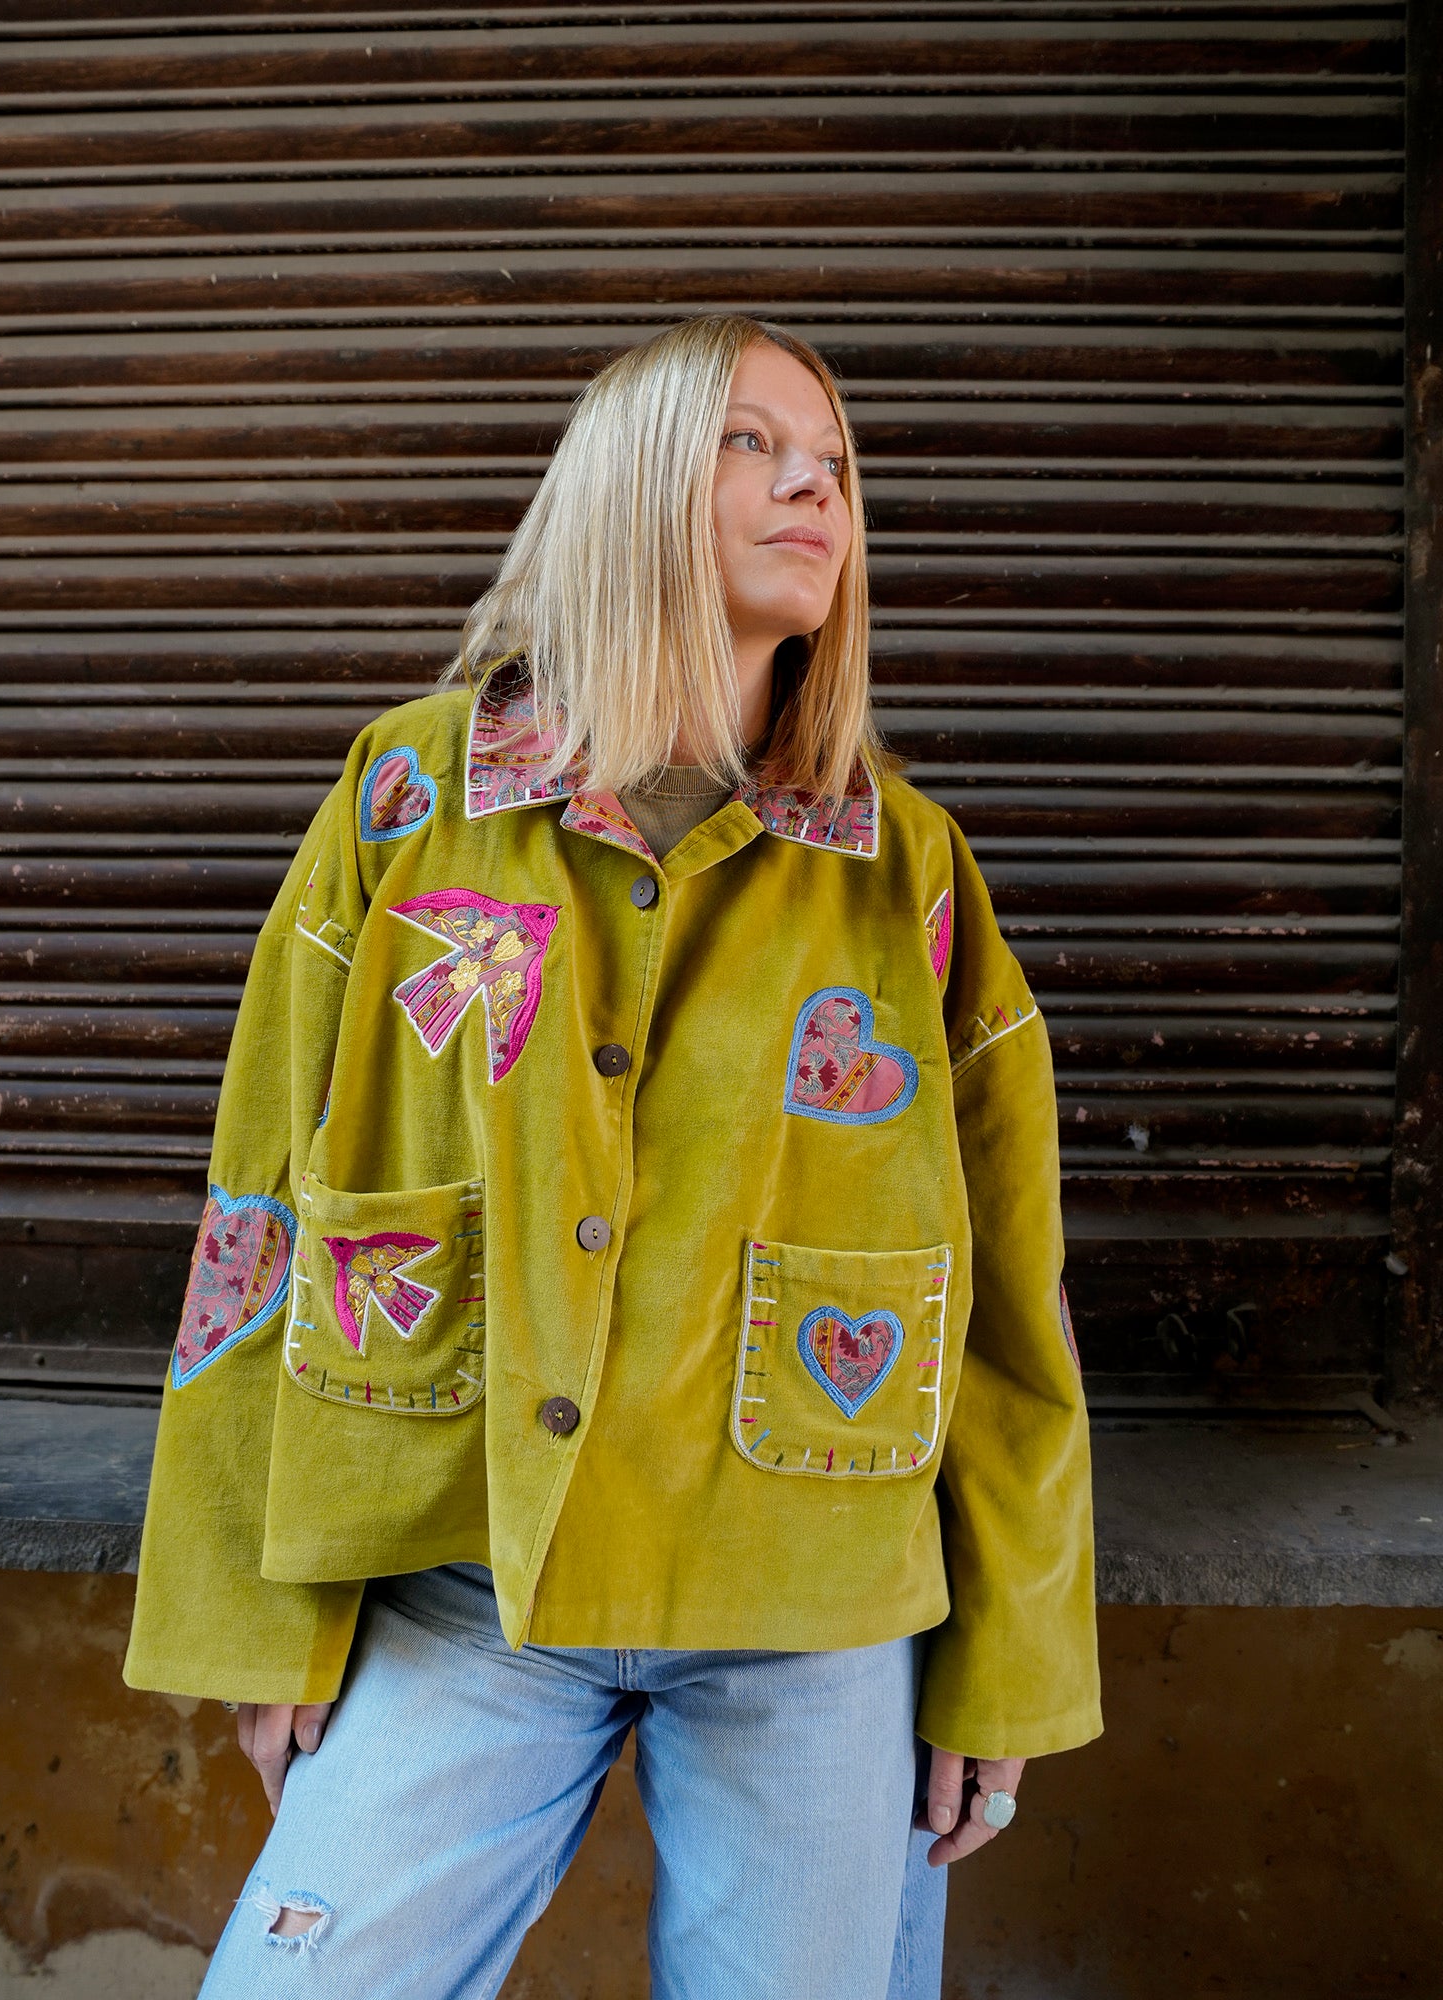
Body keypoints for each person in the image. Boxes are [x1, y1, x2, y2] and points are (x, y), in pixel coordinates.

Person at [123, 312, 1101, 1998]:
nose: (816, 484)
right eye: (751, 443)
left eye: (835, 460)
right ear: (632, 482)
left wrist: (1008, 1658)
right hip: (465, 1580)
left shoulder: (907, 872)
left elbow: (1014, 1295)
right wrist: (253, 1613)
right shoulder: (408, 801)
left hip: (813, 1605)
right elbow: (257, 1209)